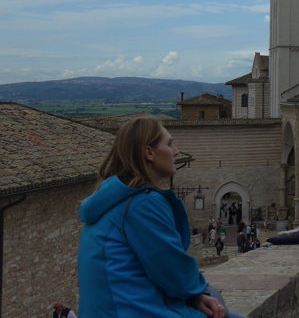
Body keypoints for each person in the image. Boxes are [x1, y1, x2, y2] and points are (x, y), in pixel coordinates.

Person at [78, 118, 243, 318]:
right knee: (217, 301)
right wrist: (196, 291)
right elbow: (174, 271)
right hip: (134, 312)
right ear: (149, 153)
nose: (176, 151)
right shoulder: (143, 203)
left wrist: (194, 295)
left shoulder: (113, 200)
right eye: (169, 144)